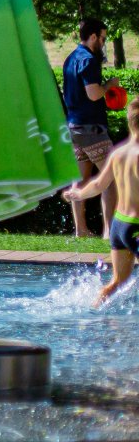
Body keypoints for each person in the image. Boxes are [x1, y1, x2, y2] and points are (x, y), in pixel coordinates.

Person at [63, 96, 139, 305]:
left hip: (119, 226)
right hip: (136, 227)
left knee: (117, 282)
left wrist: (77, 194)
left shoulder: (118, 153)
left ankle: (94, 310)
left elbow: (98, 185)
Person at [63, 17, 115, 238]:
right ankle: (109, 231)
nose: (103, 42)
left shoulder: (70, 58)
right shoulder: (89, 60)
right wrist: (109, 86)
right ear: (93, 36)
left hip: (73, 127)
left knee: (81, 179)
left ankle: (81, 229)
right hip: (92, 128)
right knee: (111, 178)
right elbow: (93, 93)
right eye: (102, 38)